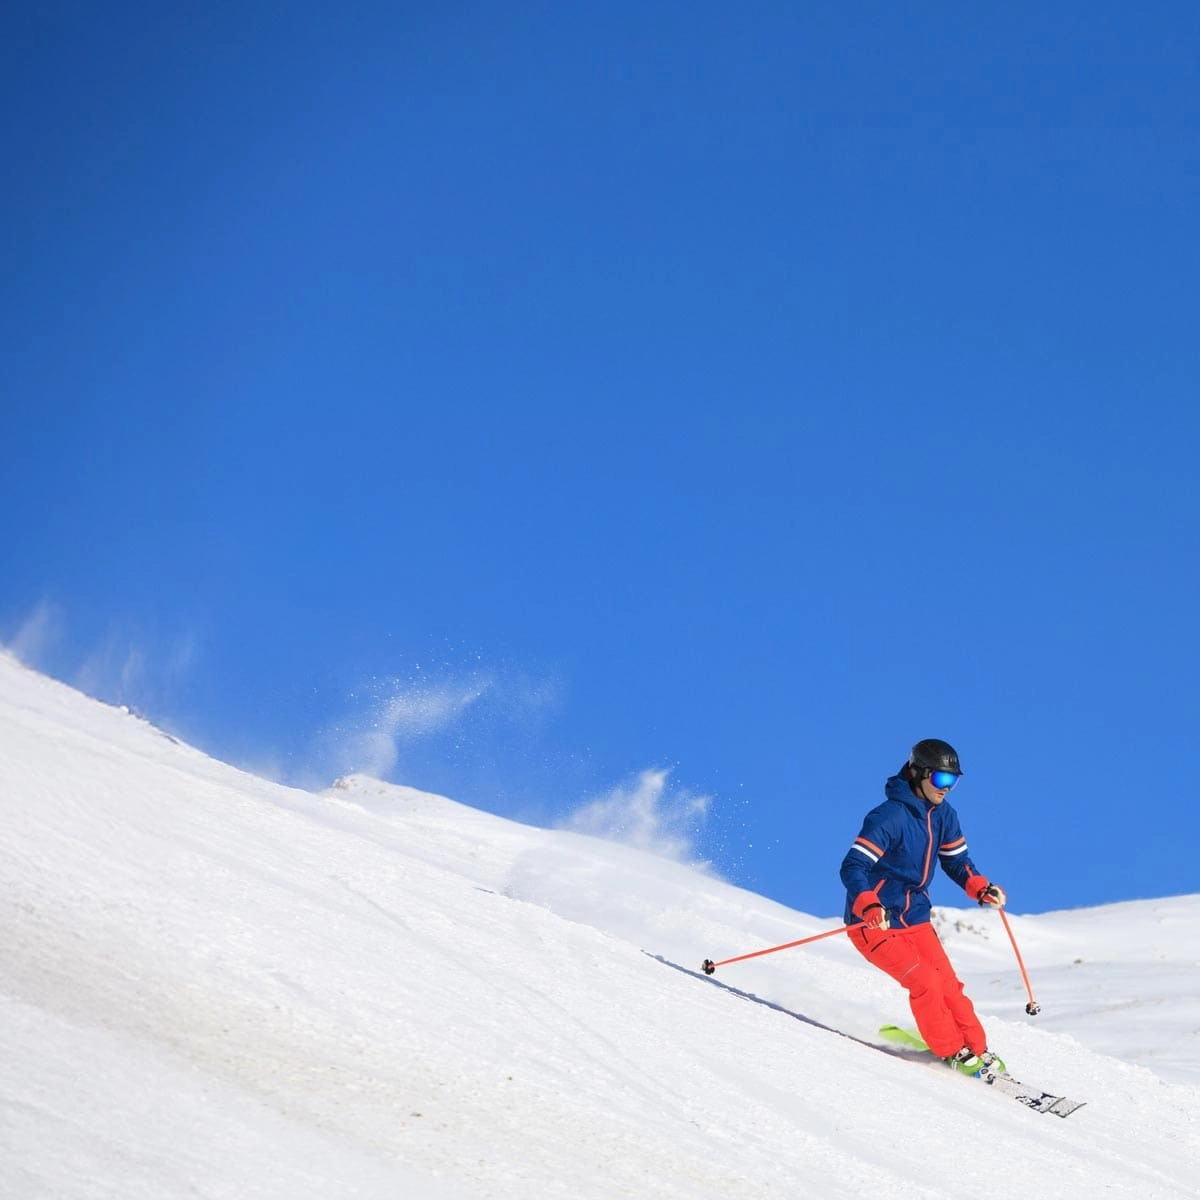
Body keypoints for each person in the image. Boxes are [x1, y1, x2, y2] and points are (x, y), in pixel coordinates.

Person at [840, 738, 1007, 1076]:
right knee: (926, 983)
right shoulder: (889, 817)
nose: (946, 788)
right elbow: (853, 866)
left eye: (953, 781)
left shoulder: (944, 815)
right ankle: (952, 1050)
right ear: (919, 773)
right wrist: (869, 904)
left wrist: (980, 887)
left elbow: (957, 861)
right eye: (941, 779)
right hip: (875, 924)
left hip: (915, 918)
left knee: (949, 987)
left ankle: (976, 1048)